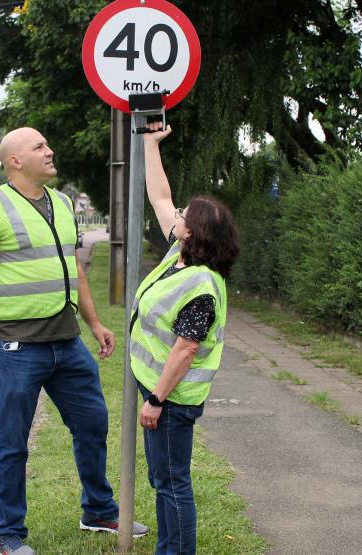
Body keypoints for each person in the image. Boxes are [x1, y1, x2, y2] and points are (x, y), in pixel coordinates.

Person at [0, 127, 148, 555]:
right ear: (15, 160)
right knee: (12, 442)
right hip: (16, 347)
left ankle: (98, 511)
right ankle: (8, 532)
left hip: (66, 341)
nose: (50, 150)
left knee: (93, 423)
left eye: (47, 144)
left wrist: (94, 323)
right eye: (39, 146)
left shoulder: (62, 203)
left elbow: (72, 268)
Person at [133, 122, 240, 555]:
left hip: (171, 399)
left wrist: (155, 400)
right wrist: (150, 144)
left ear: (192, 231)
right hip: (162, 390)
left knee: (172, 482)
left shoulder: (201, 284)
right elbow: (160, 196)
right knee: (163, 479)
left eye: (183, 215)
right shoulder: (178, 255)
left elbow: (186, 348)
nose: (175, 215)